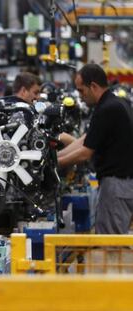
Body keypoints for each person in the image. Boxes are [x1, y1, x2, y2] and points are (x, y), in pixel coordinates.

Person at [58, 63, 133, 234]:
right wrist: (56, 155)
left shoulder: (108, 109)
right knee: (113, 239)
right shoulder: (115, 103)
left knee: (110, 242)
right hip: (122, 184)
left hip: (117, 185)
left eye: (82, 90)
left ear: (93, 86)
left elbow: (85, 153)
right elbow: (85, 139)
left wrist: (56, 163)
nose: (80, 96)